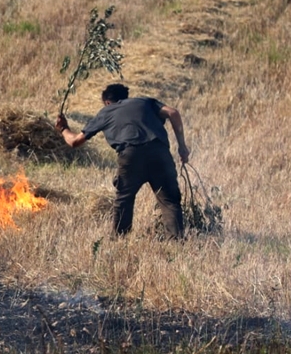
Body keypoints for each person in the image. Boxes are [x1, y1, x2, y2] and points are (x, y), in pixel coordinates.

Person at [55, 83, 190, 239]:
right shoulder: (144, 102)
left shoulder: (106, 112)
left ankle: (120, 239)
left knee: (124, 199)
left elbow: (74, 142)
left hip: (131, 155)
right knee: (169, 200)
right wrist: (182, 146)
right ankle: (176, 241)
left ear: (107, 102)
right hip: (159, 152)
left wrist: (63, 129)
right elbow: (173, 112)